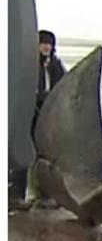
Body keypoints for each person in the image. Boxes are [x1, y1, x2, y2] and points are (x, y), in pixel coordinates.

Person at [10, 30, 68, 210]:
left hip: (47, 115)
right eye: (43, 43)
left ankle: (43, 194)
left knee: (45, 154)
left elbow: (62, 86)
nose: (46, 47)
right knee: (25, 153)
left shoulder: (56, 66)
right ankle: (15, 195)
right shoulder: (29, 65)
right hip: (29, 114)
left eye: (49, 44)